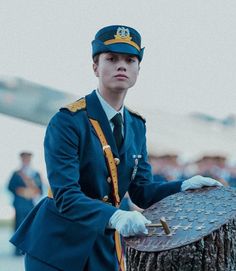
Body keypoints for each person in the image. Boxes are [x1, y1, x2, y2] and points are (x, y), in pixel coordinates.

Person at [10, 25, 222, 271]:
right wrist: (116, 215)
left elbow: (142, 191)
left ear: (138, 70)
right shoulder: (69, 120)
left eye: (130, 60)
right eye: (111, 58)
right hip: (58, 245)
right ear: (95, 67)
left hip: (102, 246)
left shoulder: (136, 125)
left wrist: (183, 187)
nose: (121, 65)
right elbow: (66, 195)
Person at [8, 151, 43, 256]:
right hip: (19, 204)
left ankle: (27, 248)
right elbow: (10, 187)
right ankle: (17, 249)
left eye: (28, 159)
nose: (26, 160)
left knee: (30, 226)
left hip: (31, 204)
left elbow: (40, 190)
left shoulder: (36, 174)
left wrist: (32, 192)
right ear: (21, 160)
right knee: (19, 225)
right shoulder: (16, 173)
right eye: (24, 159)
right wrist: (21, 191)